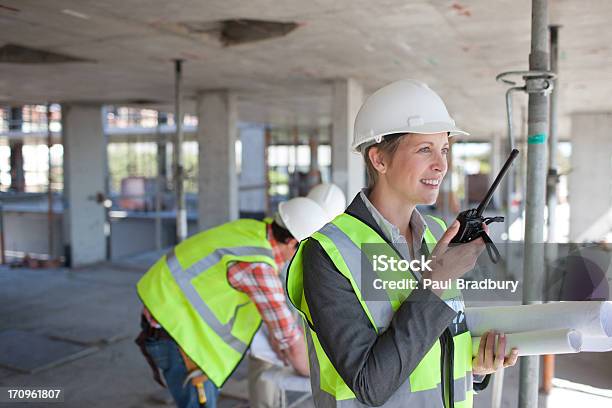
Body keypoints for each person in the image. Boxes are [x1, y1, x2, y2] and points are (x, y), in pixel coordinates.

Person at [287, 79, 519, 407]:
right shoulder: (328, 253)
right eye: (425, 149)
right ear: (379, 160)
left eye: (444, 149)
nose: (441, 165)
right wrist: (435, 282)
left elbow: (434, 347)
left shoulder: (440, 234)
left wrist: (475, 366)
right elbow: (370, 384)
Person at [136, 195, 332, 408]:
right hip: (177, 335)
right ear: (293, 242)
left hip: (164, 315)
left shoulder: (251, 230)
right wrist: (315, 374)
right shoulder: (258, 265)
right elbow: (289, 340)